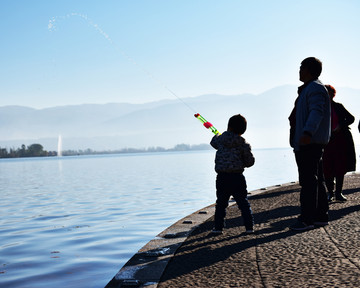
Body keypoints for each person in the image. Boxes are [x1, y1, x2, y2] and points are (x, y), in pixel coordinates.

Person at [288, 57, 331, 231]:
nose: (299, 71)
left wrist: (307, 132)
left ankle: (307, 218)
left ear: (309, 70)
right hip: (308, 141)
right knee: (317, 179)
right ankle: (321, 215)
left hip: (309, 142)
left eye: (301, 67)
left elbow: (316, 112)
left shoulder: (314, 88)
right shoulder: (310, 89)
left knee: (308, 181)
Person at [210, 114, 255, 235]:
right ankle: (249, 227)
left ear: (228, 126)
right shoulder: (243, 144)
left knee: (221, 203)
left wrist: (218, 134)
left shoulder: (220, 140)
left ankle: (218, 228)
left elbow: (213, 142)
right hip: (237, 177)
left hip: (222, 177)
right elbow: (250, 162)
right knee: (243, 203)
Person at [323, 84, 356, 202]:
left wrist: (341, 126)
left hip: (340, 141)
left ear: (332, 95)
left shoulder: (338, 106)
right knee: (326, 167)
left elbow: (351, 118)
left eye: (329, 93)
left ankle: (338, 193)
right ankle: (330, 193)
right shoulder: (320, 108)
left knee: (340, 167)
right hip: (325, 142)